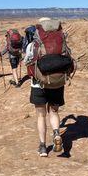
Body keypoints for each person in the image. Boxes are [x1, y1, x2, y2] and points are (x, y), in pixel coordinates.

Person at [24, 18, 68, 157]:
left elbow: (27, 61)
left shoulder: (34, 45)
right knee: (54, 112)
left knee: (41, 115)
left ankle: (43, 147)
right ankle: (56, 133)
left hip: (39, 84)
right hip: (57, 82)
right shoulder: (61, 42)